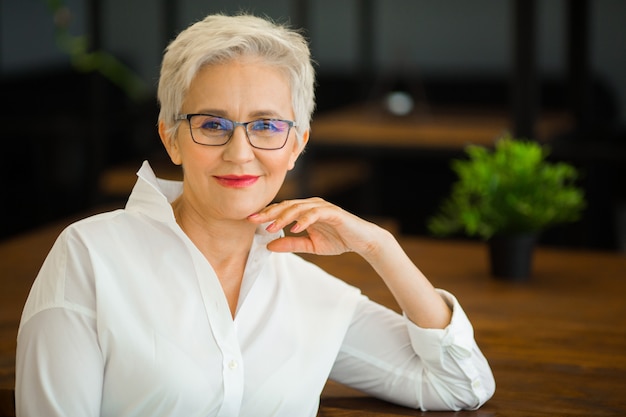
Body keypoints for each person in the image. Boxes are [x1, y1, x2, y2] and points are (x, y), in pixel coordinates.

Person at [15, 12, 495, 417]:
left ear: (296, 146)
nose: (240, 152)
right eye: (213, 124)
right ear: (171, 138)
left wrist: (379, 247)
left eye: (266, 126)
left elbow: (460, 384)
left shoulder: (313, 296)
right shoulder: (90, 258)